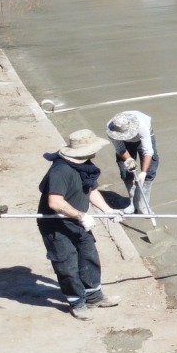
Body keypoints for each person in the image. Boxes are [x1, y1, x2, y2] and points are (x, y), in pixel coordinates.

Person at [39, 129, 121, 320]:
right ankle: (77, 302)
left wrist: (108, 210)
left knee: (88, 256)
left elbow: (91, 190)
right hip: (57, 226)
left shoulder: (85, 166)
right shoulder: (61, 171)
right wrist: (81, 216)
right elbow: (55, 203)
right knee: (67, 265)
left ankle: (94, 296)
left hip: (77, 221)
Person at [106, 110, 159, 217]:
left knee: (150, 170)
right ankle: (133, 203)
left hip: (141, 137)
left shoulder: (141, 126)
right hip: (124, 143)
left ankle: (144, 205)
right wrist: (129, 159)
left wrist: (143, 172)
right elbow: (120, 148)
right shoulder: (111, 129)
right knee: (126, 171)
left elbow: (148, 151)